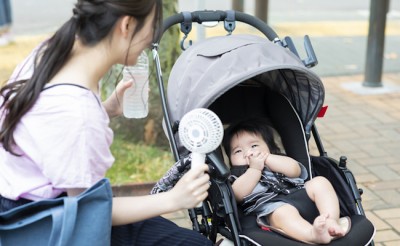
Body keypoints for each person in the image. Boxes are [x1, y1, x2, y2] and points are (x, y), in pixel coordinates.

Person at [0, 1, 213, 245]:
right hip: (43, 226)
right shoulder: (78, 115)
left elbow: (47, 129)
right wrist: (173, 199)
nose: (152, 37)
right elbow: (90, 214)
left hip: (19, 207)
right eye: (152, 26)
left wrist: (106, 109)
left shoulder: (53, 49)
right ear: (127, 25)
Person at [223, 118, 351, 244]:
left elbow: (295, 170)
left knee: (320, 182)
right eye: (238, 151)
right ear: (230, 160)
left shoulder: (277, 160)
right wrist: (254, 169)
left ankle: (331, 221)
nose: (248, 153)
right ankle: (312, 234)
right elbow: (237, 195)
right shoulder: (237, 175)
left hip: (301, 194)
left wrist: (267, 159)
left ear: (269, 148)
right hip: (272, 207)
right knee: (283, 213)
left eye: (254, 146)